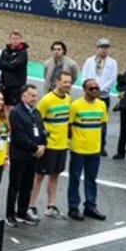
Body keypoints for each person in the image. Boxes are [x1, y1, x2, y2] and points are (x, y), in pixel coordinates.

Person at [29, 71, 72, 220]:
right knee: (39, 176)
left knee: (55, 176)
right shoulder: (46, 100)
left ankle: (51, 206)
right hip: (48, 146)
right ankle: (31, 206)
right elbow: (36, 121)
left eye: (69, 82)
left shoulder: (68, 99)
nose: (67, 85)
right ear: (57, 82)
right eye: (65, 82)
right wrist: (40, 141)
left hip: (62, 145)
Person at [67, 79, 108, 221]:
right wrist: (71, 142)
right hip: (78, 149)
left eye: (97, 88)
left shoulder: (102, 105)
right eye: (91, 89)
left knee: (91, 179)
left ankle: (90, 206)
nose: (95, 91)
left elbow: (103, 125)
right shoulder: (75, 106)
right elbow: (69, 125)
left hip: (94, 149)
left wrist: (101, 145)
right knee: (75, 179)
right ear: (84, 90)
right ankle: (73, 207)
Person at [6, 85, 45, 228]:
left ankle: (22, 212)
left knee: (27, 186)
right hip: (19, 155)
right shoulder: (16, 112)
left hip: (32, 156)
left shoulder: (36, 112)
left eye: (36, 95)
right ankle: (10, 214)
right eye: (32, 95)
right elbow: (19, 135)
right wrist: (35, 147)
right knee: (14, 186)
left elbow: (41, 130)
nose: (35, 98)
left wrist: (43, 145)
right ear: (24, 96)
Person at [80, 38, 117, 156]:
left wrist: (99, 89)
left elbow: (112, 79)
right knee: (86, 119)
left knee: (102, 122)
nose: (104, 50)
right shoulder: (89, 61)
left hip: (103, 96)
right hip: (89, 96)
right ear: (97, 48)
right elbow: (84, 76)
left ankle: (101, 146)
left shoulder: (112, 63)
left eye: (106, 48)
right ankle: (86, 142)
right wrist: (89, 89)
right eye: (102, 47)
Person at [0, 31, 29, 108]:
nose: (15, 40)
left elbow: (15, 66)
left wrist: (5, 63)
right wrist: (10, 63)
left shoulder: (22, 52)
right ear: (10, 39)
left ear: (20, 40)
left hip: (16, 86)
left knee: (15, 107)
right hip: (5, 84)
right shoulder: (5, 51)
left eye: (17, 38)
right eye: (13, 38)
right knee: (4, 105)